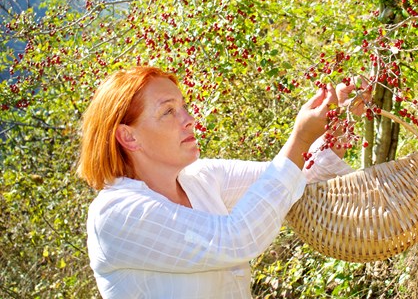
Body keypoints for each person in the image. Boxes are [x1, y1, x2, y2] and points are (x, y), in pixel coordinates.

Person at [77, 66, 368, 298]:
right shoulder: (116, 215)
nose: (189, 119)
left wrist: (338, 119)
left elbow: (296, 176)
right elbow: (233, 240)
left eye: (184, 106)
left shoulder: (201, 177)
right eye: (168, 111)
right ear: (129, 137)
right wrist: (300, 137)